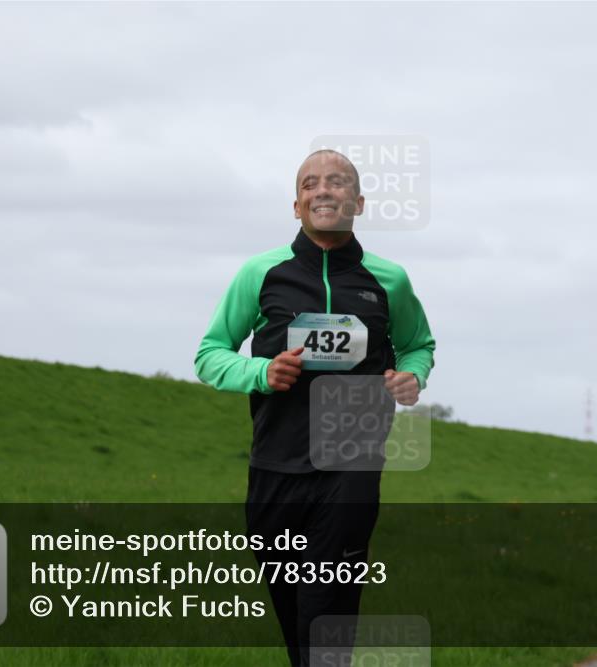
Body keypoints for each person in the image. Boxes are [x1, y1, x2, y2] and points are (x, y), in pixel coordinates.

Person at [194, 149, 436, 666]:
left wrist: (411, 375)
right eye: (309, 184)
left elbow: (419, 344)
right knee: (292, 613)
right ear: (297, 206)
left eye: (337, 182)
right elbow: (210, 354)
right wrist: (262, 372)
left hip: (351, 468)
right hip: (274, 467)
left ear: (359, 202)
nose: (322, 190)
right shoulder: (261, 274)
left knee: (327, 613)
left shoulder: (389, 280)